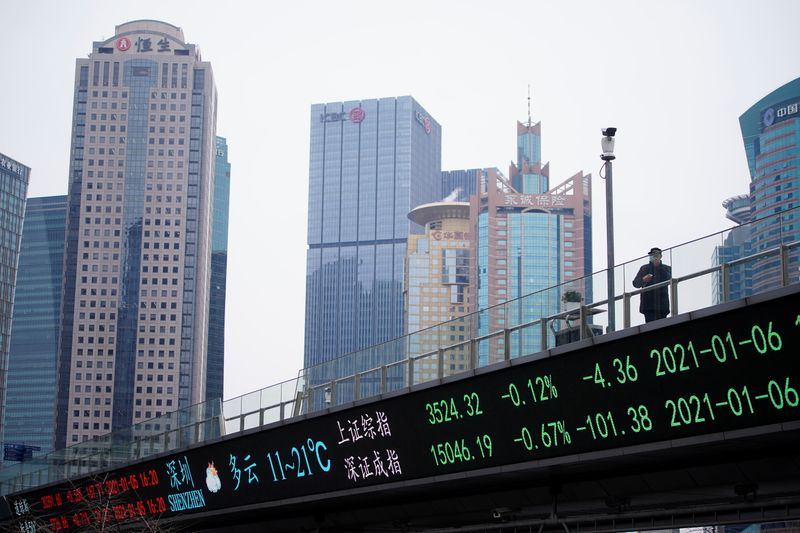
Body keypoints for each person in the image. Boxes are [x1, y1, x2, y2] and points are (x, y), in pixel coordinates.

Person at [632, 247, 672, 323]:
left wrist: (659, 266)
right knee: (650, 327)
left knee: (663, 327)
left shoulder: (666, 268)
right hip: (648, 306)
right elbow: (635, 283)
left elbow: (669, 279)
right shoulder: (644, 268)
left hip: (662, 306)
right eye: (652, 255)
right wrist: (643, 279)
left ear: (660, 256)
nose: (654, 257)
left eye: (656, 255)